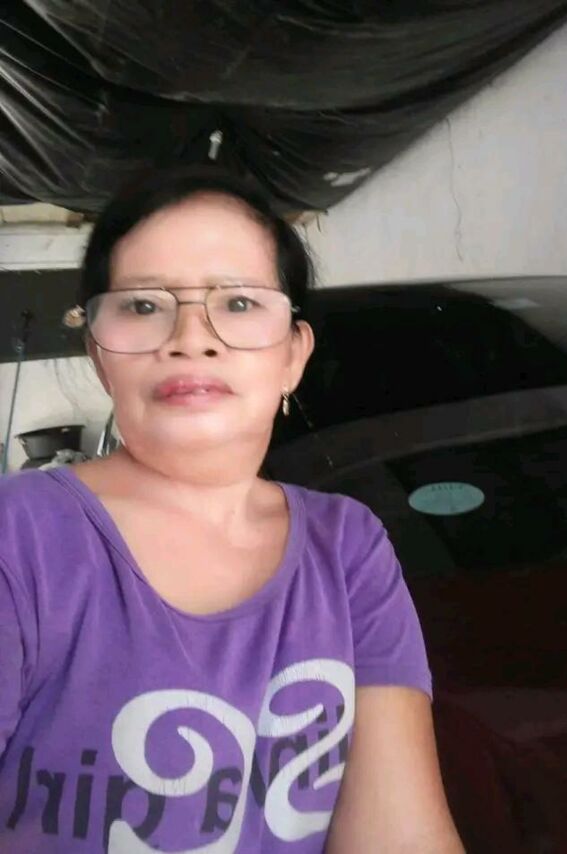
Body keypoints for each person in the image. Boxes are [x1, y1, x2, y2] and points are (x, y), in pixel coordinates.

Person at [0, 165, 464, 854]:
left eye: (239, 302)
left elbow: (401, 836)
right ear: (100, 355)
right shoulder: (21, 537)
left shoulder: (348, 548)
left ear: (293, 357)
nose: (191, 336)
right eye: (142, 305)